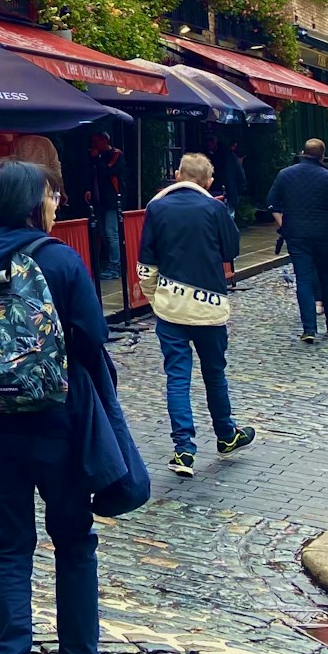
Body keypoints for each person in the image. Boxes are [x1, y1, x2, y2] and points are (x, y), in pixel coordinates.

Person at [0, 161, 110, 654]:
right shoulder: (60, 260)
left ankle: (12, 651)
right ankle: (79, 652)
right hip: (56, 422)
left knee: (10, 544)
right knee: (74, 541)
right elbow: (93, 336)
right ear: (30, 202)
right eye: (50, 194)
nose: (55, 203)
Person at [137, 153, 256, 477]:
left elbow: (146, 262)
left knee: (177, 378)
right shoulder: (215, 208)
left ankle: (184, 450)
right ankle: (226, 434)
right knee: (214, 374)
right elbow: (231, 250)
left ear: (177, 175)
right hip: (209, 306)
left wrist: (155, 298)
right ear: (208, 181)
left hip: (171, 307)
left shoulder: (157, 208)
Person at [266, 139, 328, 343]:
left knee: (303, 280)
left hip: (296, 235)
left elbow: (271, 203)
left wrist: (283, 223)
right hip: (325, 235)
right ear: (322, 155)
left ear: (303, 152)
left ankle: (309, 328)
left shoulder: (285, 174)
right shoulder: (327, 177)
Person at [84, 133, 125, 279]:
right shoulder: (97, 157)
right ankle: (110, 263)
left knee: (111, 233)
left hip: (112, 200)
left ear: (105, 140)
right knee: (103, 233)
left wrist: (96, 158)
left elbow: (107, 171)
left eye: (96, 141)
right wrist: (89, 189)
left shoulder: (116, 154)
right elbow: (93, 174)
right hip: (99, 200)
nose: (94, 145)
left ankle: (115, 266)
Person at [213, 138, 246, 219]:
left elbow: (240, 175)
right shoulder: (230, 156)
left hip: (226, 191)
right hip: (224, 191)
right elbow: (240, 175)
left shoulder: (229, 157)